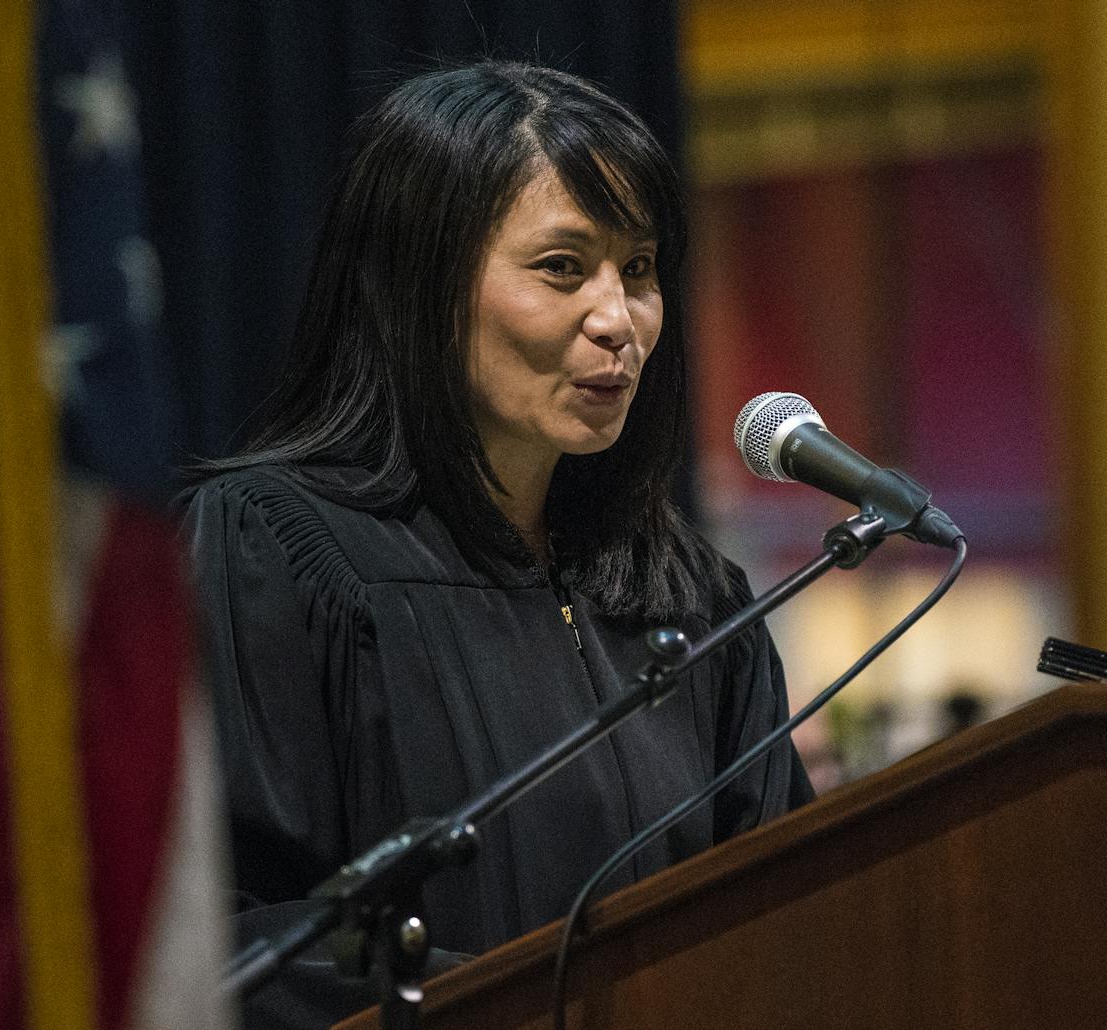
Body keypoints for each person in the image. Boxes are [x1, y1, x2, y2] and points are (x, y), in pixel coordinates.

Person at [182, 60, 813, 1025]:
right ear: (422, 285)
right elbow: (234, 940)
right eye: (562, 268)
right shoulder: (275, 553)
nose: (618, 321)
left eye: (637, 270)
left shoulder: (692, 601)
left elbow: (798, 917)